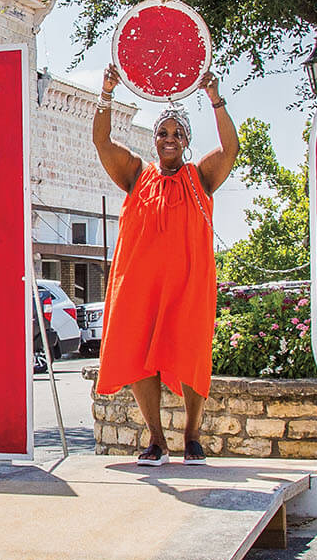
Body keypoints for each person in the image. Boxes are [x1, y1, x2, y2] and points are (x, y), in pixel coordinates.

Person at [92, 65, 239, 462]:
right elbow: (103, 142)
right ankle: (156, 439)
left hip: (188, 286)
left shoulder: (200, 178)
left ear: (187, 140)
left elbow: (230, 150)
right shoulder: (137, 175)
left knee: (190, 352)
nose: (169, 139)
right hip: (140, 286)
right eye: (163, 133)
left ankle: (192, 435)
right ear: (154, 139)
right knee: (140, 355)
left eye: (177, 134)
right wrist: (106, 93)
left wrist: (215, 98)